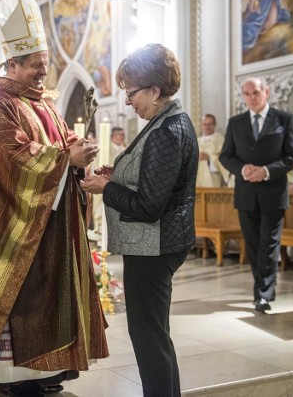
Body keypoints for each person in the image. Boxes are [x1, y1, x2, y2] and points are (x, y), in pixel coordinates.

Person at [0, 0, 109, 396]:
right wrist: (64, 158)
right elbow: (14, 157)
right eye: (36, 66)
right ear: (12, 64)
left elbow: (61, 139)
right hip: (14, 225)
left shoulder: (44, 103)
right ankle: (15, 376)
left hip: (51, 225)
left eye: (45, 66)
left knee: (51, 299)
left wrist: (80, 153)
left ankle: (51, 370)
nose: (44, 73)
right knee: (23, 300)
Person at [81, 43, 198, 397]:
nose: (129, 101)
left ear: (155, 90)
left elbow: (148, 205)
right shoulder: (166, 121)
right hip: (157, 243)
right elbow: (155, 178)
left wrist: (105, 188)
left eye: (132, 93)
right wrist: (118, 175)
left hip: (154, 246)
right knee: (154, 335)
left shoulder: (166, 130)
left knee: (148, 337)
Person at [219, 77, 293, 313]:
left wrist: (266, 171)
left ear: (266, 92)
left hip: (273, 193)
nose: (251, 98)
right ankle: (263, 288)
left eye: (255, 92)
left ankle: (263, 294)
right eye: (246, 94)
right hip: (245, 194)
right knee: (254, 245)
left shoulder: (284, 119)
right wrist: (243, 170)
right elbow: (226, 156)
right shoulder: (236, 123)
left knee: (269, 244)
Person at [196, 114, 227, 187]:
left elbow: (225, 161)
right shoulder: (196, 142)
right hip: (196, 183)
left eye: (210, 124)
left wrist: (209, 159)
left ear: (215, 125)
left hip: (213, 182)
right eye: (205, 124)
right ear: (201, 125)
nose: (207, 127)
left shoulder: (221, 141)